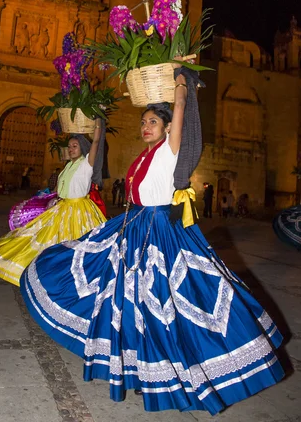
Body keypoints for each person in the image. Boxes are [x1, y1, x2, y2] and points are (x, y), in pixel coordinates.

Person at [20, 65, 284, 415]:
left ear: (169, 128)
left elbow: (179, 114)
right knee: (125, 298)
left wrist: (180, 85)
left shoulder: (170, 151)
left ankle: (182, 370)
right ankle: (144, 368)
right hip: (136, 227)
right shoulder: (145, 154)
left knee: (167, 304)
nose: (146, 127)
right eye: (144, 122)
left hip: (161, 233)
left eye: (153, 123)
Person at [0, 119, 107, 286]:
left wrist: (98, 122)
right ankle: (46, 275)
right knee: (43, 239)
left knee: (73, 245)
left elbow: (96, 141)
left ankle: (68, 280)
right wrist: (54, 198)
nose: (71, 149)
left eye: (74, 146)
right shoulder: (68, 165)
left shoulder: (86, 164)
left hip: (78, 211)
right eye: (69, 146)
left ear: (82, 148)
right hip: (62, 208)